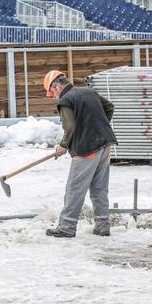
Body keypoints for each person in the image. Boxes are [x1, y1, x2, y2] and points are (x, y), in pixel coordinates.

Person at [43, 70, 117, 238]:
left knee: (74, 189)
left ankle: (66, 227)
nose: (54, 96)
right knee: (99, 188)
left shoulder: (66, 100)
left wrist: (63, 145)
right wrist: (98, 126)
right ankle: (103, 226)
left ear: (57, 85)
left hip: (86, 150)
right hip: (105, 145)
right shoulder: (88, 91)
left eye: (52, 91)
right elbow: (109, 107)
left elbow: (70, 127)